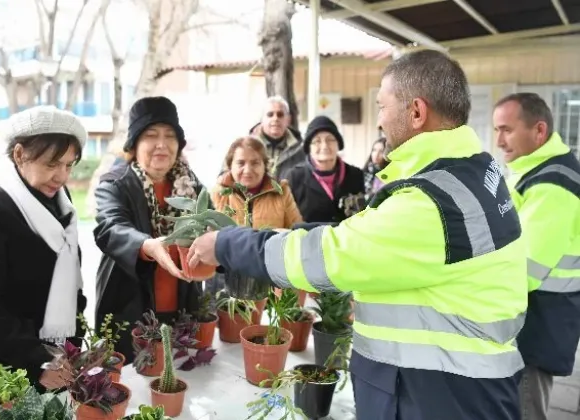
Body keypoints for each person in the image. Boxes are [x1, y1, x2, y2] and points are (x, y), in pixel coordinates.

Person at [186, 50, 527, 420]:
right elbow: (368, 233)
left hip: (438, 395)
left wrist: (224, 244)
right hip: (457, 385)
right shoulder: (472, 171)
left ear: (416, 112)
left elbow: (328, 256)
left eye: (382, 106)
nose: (379, 121)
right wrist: (290, 231)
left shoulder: (433, 202)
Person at [0, 106, 87, 389]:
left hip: (56, 360)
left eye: (68, 165)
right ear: (19, 154)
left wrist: (75, 345)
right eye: (52, 164)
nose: (62, 177)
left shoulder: (60, 201)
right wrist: (39, 360)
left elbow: (72, 279)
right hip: (1, 369)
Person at [93, 96, 204, 364]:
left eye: (170, 136)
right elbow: (110, 228)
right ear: (134, 144)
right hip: (129, 309)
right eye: (151, 135)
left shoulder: (191, 186)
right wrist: (147, 245)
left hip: (183, 304)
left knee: (180, 381)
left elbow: (208, 230)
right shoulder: (115, 184)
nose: (162, 145)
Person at [493, 92, 580, 420]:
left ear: (539, 131)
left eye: (506, 130)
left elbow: (524, 268)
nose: (499, 141)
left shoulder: (553, 185)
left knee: (525, 409)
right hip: (532, 318)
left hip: (536, 324)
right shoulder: (534, 171)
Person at [207, 136, 303, 295]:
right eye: (240, 163)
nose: (247, 170)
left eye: (255, 163)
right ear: (229, 165)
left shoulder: (281, 191)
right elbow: (207, 241)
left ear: (265, 165)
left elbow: (297, 235)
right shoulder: (218, 193)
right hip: (228, 286)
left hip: (272, 283)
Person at [286, 115, 365, 223]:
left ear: (338, 144)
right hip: (309, 239)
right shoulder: (294, 178)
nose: (324, 146)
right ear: (309, 147)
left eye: (330, 140)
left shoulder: (355, 175)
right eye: (317, 141)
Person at [249, 96, 306, 180]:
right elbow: (226, 178)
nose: (275, 118)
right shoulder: (245, 146)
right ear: (262, 119)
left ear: (288, 119)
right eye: (270, 114)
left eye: (280, 114)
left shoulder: (301, 150)